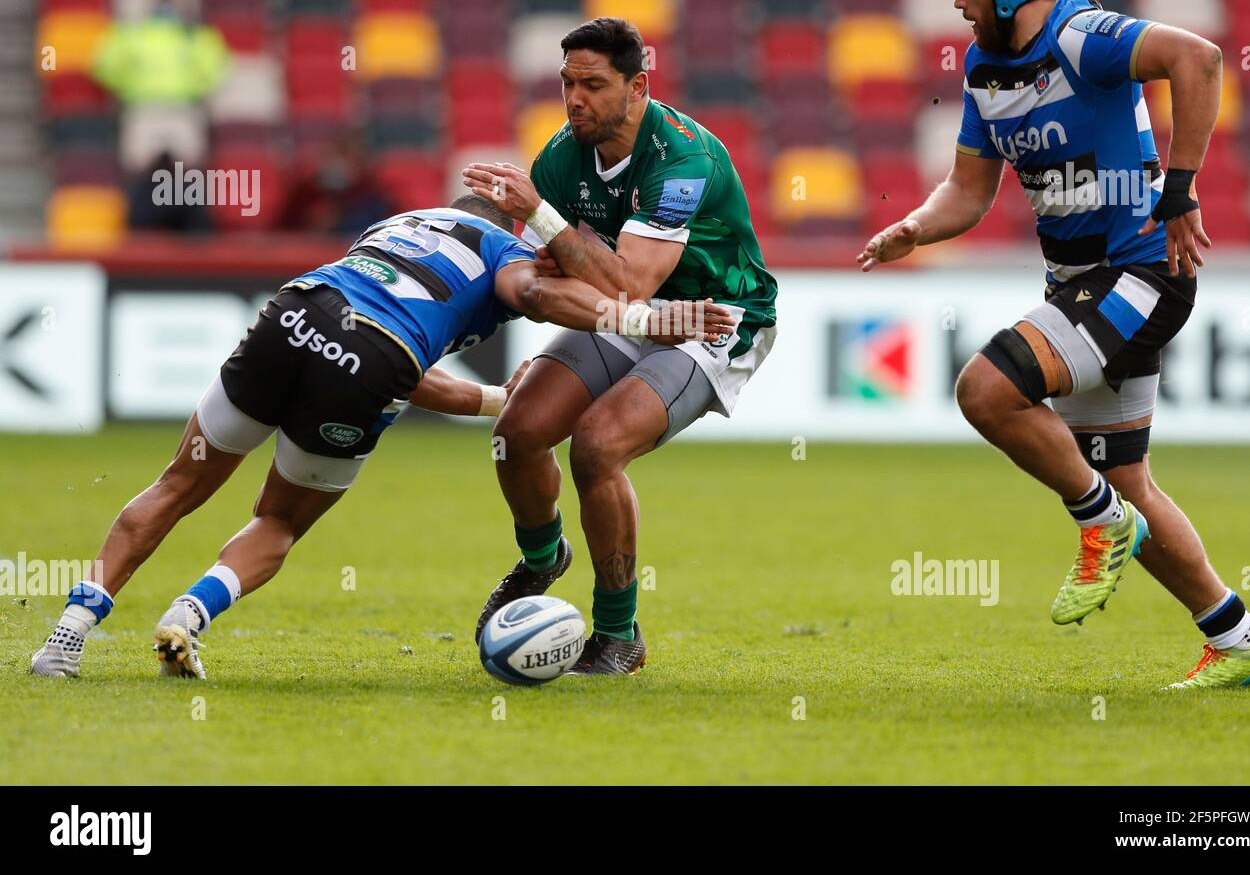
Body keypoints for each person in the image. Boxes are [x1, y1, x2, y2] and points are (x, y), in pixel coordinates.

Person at [29, 194, 731, 679]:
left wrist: (495, 401)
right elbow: (528, 300)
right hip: (372, 358)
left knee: (177, 484)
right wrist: (639, 318)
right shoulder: (505, 252)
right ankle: (189, 613)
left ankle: (66, 637)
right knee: (277, 518)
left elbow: (390, 353)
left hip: (296, 312)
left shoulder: (399, 223)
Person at [859, 0, 1250, 689]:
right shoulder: (985, 69)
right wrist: (915, 228)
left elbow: (1201, 58)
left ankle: (1097, 523)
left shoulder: (1083, 39)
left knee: (986, 391)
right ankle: (1238, 638)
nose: (957, 4)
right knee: (1128, 481)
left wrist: (1180, 192)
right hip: (1082, 284)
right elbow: (968, 189)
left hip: (1143, 274)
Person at [460, 17, 778, 674]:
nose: (576, 99)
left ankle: (617, 634)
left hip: (718, 323)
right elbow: (540, 273)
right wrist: (546, 272)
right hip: (637, 316)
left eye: (594, 85)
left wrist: (546, 224)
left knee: (598, 445)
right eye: (567, 83)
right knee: (517, 432)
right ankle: (544, 555)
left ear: (638, 87)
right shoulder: (562, 154)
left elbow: (629, 281)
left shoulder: (682, 158)